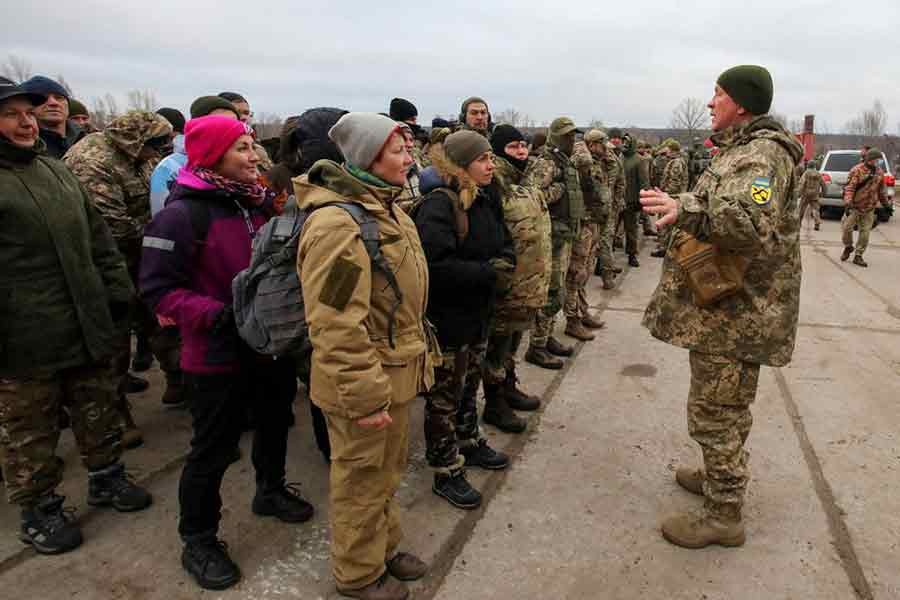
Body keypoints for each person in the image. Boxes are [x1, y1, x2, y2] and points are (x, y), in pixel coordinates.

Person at [140, 115, 313, 590]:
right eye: (241, 148)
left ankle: (271, 489)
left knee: (275, 422)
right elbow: (157, 289)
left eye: (252, 146)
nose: (253, 156)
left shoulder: (258, 204)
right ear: (212, 155)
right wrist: (217, 315)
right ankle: (198, 538)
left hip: (269, 345)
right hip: (216, 353)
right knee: (213, 448)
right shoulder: (181, 215)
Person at [641, 64, 803, 549]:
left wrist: (684, 208)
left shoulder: (760, 157)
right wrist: (683, 208)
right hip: (726, 310)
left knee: (716, 411)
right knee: (721, 405)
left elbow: (750, 224)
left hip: (738, 315)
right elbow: (726, 208)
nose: (710, 103)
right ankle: (718, 479)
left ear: (742, 103)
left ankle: (723, 513)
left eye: (717, 94)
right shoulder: (741, 151)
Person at [0, 78, 152, 556]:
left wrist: (116, 290)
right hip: (22, 336)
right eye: (12, 115)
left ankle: (106, 477)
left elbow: (98, 237)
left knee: (97, 402)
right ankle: (39, 509)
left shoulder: (55, 171)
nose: (28, 122)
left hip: (84, 319)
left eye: (30, 112)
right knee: (31, 428)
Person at [297, 112, 433, 600]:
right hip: (362, 383)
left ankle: (384, 549)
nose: (409, 157)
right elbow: (334, 324)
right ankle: (358, 576)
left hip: (392, 373)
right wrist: (366, 395)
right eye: (399, 150)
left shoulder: (384, 207)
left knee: (386, 472)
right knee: (360, 480)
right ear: (368, 158)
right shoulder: (339, 224)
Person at [415, 130, 514, 511]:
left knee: (469, 382)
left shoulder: (486, 197)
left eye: (491, 157)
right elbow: (435, 267)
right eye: (483, 159)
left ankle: (469, 441)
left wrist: (505, 263)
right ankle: (445, 467)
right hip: (449, 320)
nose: (491, 165)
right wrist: (488, 273)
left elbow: (503, 241)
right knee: (444, 397)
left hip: (478, 314)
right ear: (461, 165)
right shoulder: (440, 205)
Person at [65, 110, 174, 447]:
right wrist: (165, 235)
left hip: (144, 256)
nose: (158, 153)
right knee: (114, 343)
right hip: (108, 266)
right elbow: (111, 224)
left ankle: (180, 383)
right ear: (137, 140)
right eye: (154, 146)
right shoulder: (92, 159)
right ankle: (116, 417)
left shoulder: (140, 156)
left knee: (161, 325)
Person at [476, 124, 550, 433]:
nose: (521, 152)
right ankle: (494, 404)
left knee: (513, 343)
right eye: (513, 147)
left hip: (529, 284)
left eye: (523, 145)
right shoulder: (495, 184)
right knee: (497, 348)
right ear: (498, 151)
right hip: (507, 286)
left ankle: (508, 387)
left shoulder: (527, 181)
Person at [523, 117, 584, 369]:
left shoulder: (564, 161)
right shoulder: (547, 163)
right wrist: (556, 192)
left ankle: (546, 338)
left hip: (565, 235)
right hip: (552, 237)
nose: (573, 140)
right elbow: (529, 195)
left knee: (557, 291)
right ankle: (536, 346)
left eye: (573, 136)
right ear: (556, 137)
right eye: (568, 136)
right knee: (550, 293)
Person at [562, 138, 606, 341]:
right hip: (581, 227)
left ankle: (582, 311)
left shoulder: (590, 173)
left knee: (585, 272)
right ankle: (572, 320)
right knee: (575, 275)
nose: (587, 168)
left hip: (592, 224)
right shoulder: (571, 177)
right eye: (584, 165)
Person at [841, 148, 888, 267]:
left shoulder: (880, 173)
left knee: (865, 233)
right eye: (877, 160)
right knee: (846, 229)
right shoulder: (857, 170)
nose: (878, 162)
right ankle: (848, 246)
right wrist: (848, 202)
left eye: (879, 160)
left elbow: (882, 191)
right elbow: (850, 188)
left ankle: (858, 255)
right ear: (870, 159)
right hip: (855, 206)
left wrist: (886, 205)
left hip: (869, 207)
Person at [584, 129, 618, 289]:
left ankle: (607, 277)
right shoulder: (585, 162)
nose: (606, 148)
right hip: (590, 213)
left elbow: (619, 181)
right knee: (590, 247)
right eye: (602, 145)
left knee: (605, 243)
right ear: (592, 145)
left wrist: (617, 203)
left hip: (606, 209)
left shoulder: (608, 160)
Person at [21, 75, 84, 159]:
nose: (53, 103)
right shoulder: (23, 147)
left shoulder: (88, 137)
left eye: (59, 98)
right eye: (43, 98)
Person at [650, 139, 689, 258]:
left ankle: (664, 247)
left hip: (671, 196)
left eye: (667, 148)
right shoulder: (676, 161)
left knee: (666, 223)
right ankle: (665, 244)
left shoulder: (676, 162)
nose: (665, 150)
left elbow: (675, 182)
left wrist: (666, 194)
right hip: (673, 195)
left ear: (672, 150)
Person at [218, 91, 273, 171]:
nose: (244, 117)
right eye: (237, 112)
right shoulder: (210, 149)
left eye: (246, 113)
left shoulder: (257, 150)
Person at [620, 133, 649, 267]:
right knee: (609, 232)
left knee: (631, 230)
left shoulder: (639, 160)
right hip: (617, 200)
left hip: (631, 201)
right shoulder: (619, 157)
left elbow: (644, 182)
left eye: (627, 142)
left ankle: (632, 255)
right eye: (623, 142)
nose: (624, 144)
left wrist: (642, 201)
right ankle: (602, 263)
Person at [797, 159, 826, 231]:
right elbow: (823, 184)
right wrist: (824, 193)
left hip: (806, 194)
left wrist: (799, 193)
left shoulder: (806, 173)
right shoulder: (818, 174)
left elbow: (802, 183)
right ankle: (817, 223)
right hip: (815, 194)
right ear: (814, 166)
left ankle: (799, 223)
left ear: (808, 165)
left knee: (801, 209)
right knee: (816, 209)